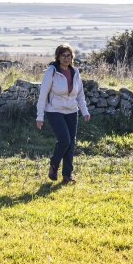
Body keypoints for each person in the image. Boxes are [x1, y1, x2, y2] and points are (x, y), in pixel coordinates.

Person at [36, 44, 90, 183]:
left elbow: (80, 95)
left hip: (72, 111)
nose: (66, 58)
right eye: (63, 55)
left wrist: (84, 111)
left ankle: (67, 175)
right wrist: (39, 116)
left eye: (68, 55)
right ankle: (54, 165)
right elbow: (43, 96)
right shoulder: (51, 72)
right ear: (58, 57)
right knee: (65, 139)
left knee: (71, 143)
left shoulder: (75, 72)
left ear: (72, 57)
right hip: (54, 110)